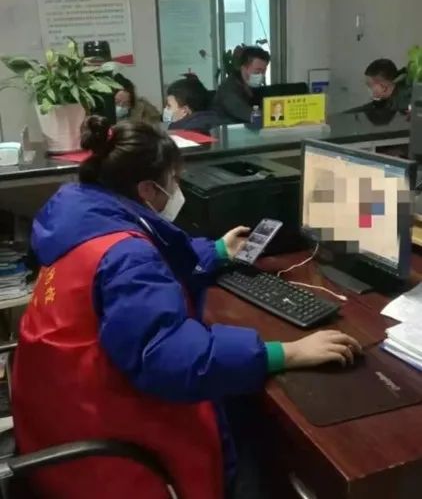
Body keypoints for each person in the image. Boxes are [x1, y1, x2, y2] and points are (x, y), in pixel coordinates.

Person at [12, 117, 361, 499]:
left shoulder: (84, 216)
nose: (178, 189)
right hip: (108, 452)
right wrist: (285, 353)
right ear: (148, 189)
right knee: (261, 435)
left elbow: (153, 259)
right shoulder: (126, 255)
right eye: (174, 180)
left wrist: (216, 251)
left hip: (53, 419)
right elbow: (172, 358)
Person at [212, 46, 270, 124]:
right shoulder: (228, 88)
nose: (261, 75)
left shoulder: (253, 87)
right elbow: (247, 113)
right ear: (243, 68)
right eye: (257, 70)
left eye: (264, 71)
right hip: (225, 129)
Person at [344, 59, 411, 124]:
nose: (368, 89)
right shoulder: (391, 96)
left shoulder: (404, 104)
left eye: (370, 85)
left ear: (383, 88)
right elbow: (372, 107)